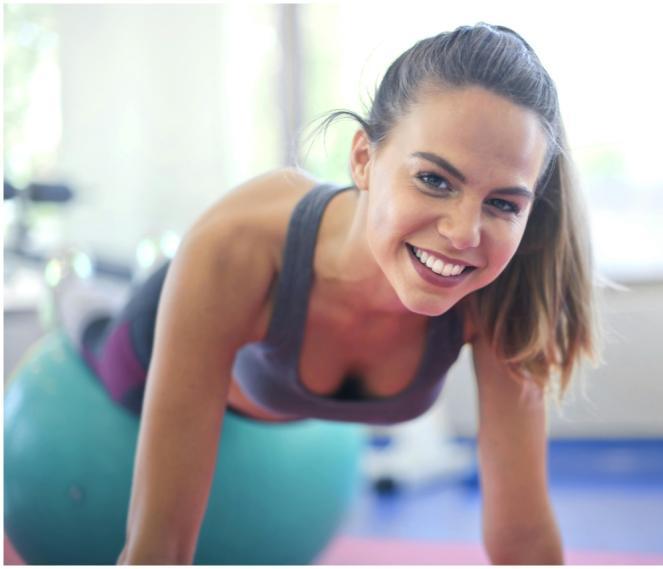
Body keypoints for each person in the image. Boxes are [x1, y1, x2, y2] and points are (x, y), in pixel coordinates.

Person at [60, 22, 600, 564]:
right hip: (149, 338)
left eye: (504, 204)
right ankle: (73, 295)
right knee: (97, 335)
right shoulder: (238, 245)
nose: (464, 233)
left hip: (274, 406)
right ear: (363, 159)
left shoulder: (509, 289)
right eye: (435, 180)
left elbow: (523, 534)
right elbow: (159, 548)